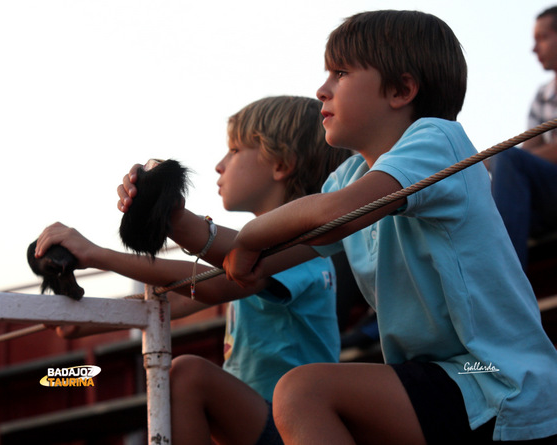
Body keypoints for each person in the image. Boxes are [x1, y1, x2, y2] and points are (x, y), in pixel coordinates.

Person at [218, 10, 557, 444]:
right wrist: (172, 219)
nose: (322, 89)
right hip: (442, 377)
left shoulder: (437, 140)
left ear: (401, 90)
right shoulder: (348, 179)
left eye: (340, 73)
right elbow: (263, 262)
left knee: (304, 392)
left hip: (494, 371)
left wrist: (248, 237)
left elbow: (329, 217)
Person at [36, 95, 352, 445]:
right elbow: (176, 298)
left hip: (295, 428)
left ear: (281, 164)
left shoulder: (303, 252)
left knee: (187, 375)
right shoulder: (267, 256)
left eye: (234, 150)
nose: (219, 164)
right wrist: (81, 317)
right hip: (260, 421)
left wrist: (96, 254)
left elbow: (212, 285)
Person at [489, 6, 557, 269]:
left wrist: (501, 161)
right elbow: (528, 152)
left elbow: (521, 158)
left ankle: (503, 276)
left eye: (543, 37)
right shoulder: (544, 95)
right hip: (547, 195)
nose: (534, 48)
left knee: (507, 159)